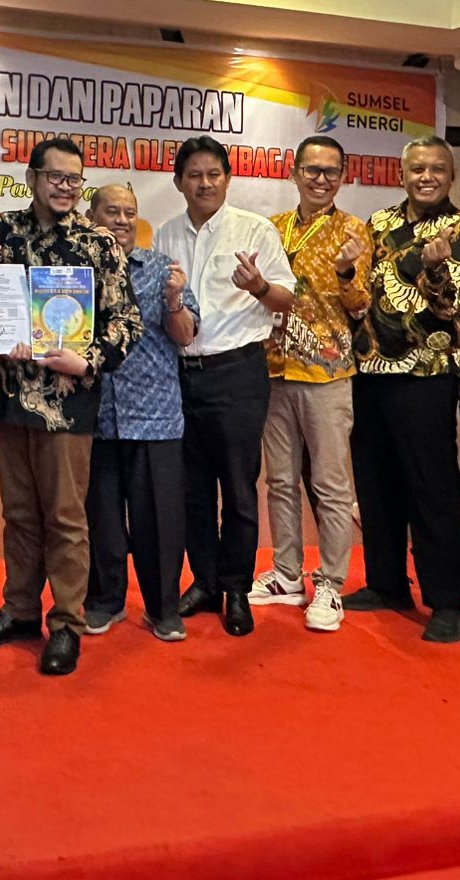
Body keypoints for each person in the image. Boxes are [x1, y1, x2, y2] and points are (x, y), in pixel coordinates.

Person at [0, 141, 142, 675]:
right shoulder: (0, 233)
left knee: (65, 516)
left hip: (68, 402)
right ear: (32, 178)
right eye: (55, 177)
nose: (65, 188)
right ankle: (20, 609)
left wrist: (87, 360)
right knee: (18, 512)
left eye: (74, 179)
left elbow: (127, 321)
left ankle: (66, 623)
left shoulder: (98, 244)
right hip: (6, 394)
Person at [345, 135, 460, 643]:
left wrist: (434, 268)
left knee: (433, 486)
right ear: (402, 174)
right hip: (371, 370)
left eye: (437, 170)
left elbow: (453, 305)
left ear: (452, 176)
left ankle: (447, 601)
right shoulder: (379, 223)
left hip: (426, 374)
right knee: (376, 483)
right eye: (417, 169)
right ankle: (386, 583)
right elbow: (360, 291)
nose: (427, 177)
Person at [151, 135, 295, 637]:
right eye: (194, 175)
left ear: (228, 179)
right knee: (191, 489)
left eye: (214, 174)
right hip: (180, 376)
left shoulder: (254, 229)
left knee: (237, 487)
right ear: (178, 182)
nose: (205, 183)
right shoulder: (165, 234)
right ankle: (206, 581)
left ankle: (236, 587)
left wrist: (258, 285)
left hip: (237, 373)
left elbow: (286, 300)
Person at [253, 136, 372, 632]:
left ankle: (331, 583)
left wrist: (346, 272)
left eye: (331, 171)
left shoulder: (354, 231)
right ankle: (286, 573)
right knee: (280, 480)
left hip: (327, 374)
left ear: (343, 177)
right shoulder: (272, 227)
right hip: (274, 369)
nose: (321, 179)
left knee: (330, 483)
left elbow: (361, 306)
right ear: (294, 172)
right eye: (312, 170)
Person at [82, 183, 197, 642]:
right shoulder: (73, 271)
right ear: (91, 218)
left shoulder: (162, 270)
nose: (122, 220)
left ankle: (163, 608)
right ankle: (103, 601)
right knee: (101, 521)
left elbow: (186, 335)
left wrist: (174, 300)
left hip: (155, 415)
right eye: (111, 211)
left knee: (160, 522)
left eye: (130, 212)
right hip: (92, 415)